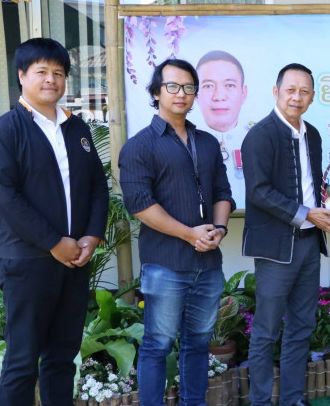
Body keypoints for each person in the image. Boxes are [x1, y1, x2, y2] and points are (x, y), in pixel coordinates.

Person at [0, 37, 109, 406]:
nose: (51, 79)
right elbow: (3, 195)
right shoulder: (6, 130)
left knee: (62, 358)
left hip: (75, 260)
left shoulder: (77, 128)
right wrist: (53, 242)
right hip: (28, 262)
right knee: (22, 361)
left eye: (58, 72)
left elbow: (97, 187)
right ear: (22, 76)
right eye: (41, 71)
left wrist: (92, 236)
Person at [119, 58, 235, 406]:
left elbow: (223, 193)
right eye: (172, 86)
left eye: (188, 87)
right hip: (165, 264)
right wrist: (189, 234)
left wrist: (219, 229)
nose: (181, 93)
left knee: (198, 343)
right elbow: (140, 205)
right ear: (156, 92)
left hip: (207, 264)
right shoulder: (140, 145)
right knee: (158, 345)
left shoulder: (208, 142)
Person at [241, 63, 330, 406]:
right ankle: (260, 401)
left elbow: (313, 187)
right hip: (276, 248)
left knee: (301, 327)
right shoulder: (260, 135)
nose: (297, 97)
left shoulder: (313, 134)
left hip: (311, 243)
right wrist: (305, 214)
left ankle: (293, 399)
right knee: (266, 331)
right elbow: (258, 191)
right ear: (276, 92)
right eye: (290, 90)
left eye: (304, 91)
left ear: (312, 97)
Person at [196, 50, 250, 203]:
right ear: (196, 94)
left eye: (229, 85)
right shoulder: (185, 142)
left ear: (243, 93)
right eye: (208, 86)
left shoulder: (260, 139)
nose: (219, 96)